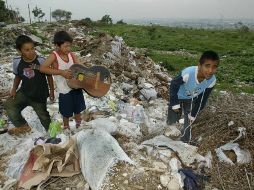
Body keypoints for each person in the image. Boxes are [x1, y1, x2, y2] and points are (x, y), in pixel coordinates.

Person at [4, 35, 54, 135]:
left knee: (44, 117)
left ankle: (52, 133)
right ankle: (23, 126)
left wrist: (52, 90)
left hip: (39, 95)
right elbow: (17, 76)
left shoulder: (41, 60)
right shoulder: (17, 61)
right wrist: (13, 89)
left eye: (32, 48)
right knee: (9, 105)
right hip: (24, 93)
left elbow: (49, 76)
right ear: (19, 51)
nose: (31, 52)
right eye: (27, 50)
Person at [167, 50, 220, 143]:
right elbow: (173, 85)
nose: (210, 71)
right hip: (178, 97)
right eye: (207, 66)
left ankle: (184, 141)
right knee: (173, 118)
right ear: (199, 65)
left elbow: (202, 99)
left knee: (189, 122)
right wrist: (174, 104)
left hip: (191, 99)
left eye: (214, 67)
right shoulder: (188, 73)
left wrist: (193, 114)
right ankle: (168, 136)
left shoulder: (211, 81)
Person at [40, 31, 86, 129]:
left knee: (78, 109)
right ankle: (66, 126)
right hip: (64, 90)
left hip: (76, 86)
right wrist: (61, 72)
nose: (68, 49)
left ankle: (79, 124)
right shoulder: (54, 56)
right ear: (57, 45)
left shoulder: (71, 55)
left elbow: (80, 66)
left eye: (70, 46)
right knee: (66, 112)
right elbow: (42, 68)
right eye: (65, 46)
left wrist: (88, 71)